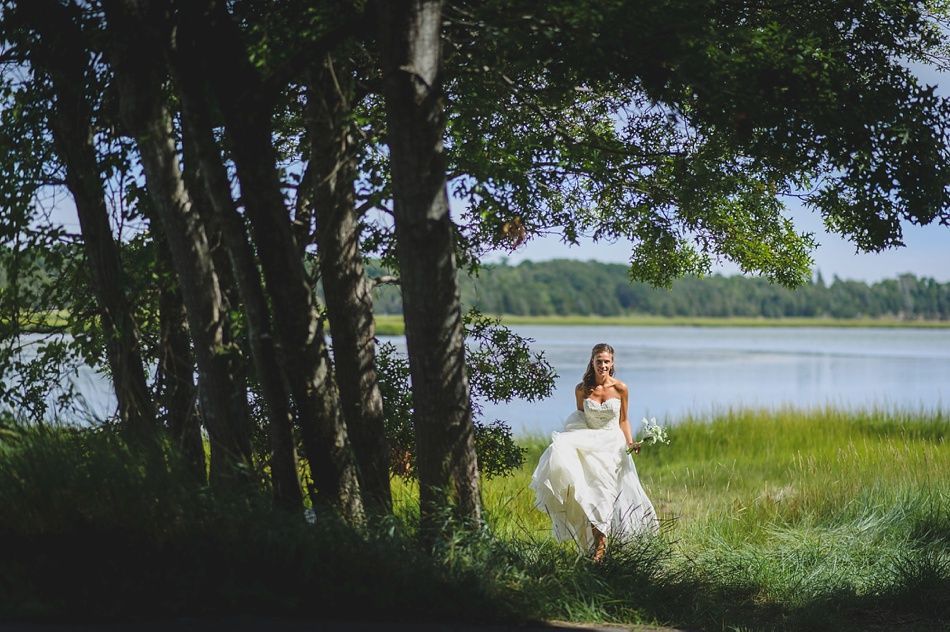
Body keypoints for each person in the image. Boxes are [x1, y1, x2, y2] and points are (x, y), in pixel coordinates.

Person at [529, 343, 659, 561]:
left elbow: (624, 420)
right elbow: (579, 419)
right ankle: (597, 549)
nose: (603, 365)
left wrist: (630, 442)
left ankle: (600, 551)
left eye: (607, 361)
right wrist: (571, 444)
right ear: (592, 362)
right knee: (588, 492)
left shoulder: (621, 388)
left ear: (613, 363)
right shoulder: (582, 389)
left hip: (612, 445)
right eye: (599, 361)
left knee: (604, 493)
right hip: (590, 444)